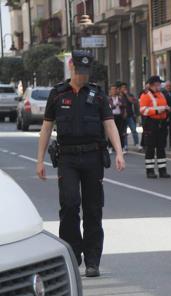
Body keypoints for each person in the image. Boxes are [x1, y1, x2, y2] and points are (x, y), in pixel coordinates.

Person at [35, 50, 126, 277]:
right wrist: (39, 160)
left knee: (93, 208)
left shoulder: (97, 95)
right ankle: (73, 255)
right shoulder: (57, 94)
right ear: (71, 67)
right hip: (67, 158)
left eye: (86, 72)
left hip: (93, 157)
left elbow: (109, 124)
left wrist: (119, 152)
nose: (82, 76)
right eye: (79, 71)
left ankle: (93, 260)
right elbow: (46, 127)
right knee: (69, 204)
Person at [140, 76, 171, 178]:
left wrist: (167, 109)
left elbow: (163, 106)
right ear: (152, 84)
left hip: (161, 123)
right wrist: (158, 111)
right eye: (158, 84)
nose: (160, 86)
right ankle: (150, 171)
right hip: (151, 123)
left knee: (161, 147)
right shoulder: (145, 95)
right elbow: (143, 110)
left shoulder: (161, 94)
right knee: (150, 148)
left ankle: (162, 170)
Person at [119, 82, 141, 150]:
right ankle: (125, 145)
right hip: (122, 116)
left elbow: (133, 101)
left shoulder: (129, 95)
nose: (124, 89)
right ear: (120, 89)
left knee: (134, 129)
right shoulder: (119, 96)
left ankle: (137, 144)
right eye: (123, 88)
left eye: (125, 88)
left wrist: (127, 94)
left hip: (130, 115)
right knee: (124, 132)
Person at [109, 84, 127, 152]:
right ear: (110, 91)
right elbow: (109, 107)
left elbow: (124, 105)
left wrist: (121, 105)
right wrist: (114, 105)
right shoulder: (109, 99)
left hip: (119, 116)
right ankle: (110, 147)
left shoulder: (120, 98)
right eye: (112, 89)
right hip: (112, 117)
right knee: (112, 132)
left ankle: (121, 147)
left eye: (115, 89)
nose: (114, 91)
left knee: (120, 132)